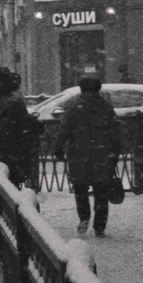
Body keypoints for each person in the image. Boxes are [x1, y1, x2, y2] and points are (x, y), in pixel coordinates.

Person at [61, 75, 122, 237]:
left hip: (79, 154)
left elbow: (65, 130)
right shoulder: (106, 108)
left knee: (80, 188)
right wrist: (115, 153)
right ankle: (99, 225)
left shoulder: (73, 108)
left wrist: (58, 148)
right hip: (102, 155)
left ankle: (84, 217)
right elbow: (115, 133)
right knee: (101, 191)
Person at [0, 67, 41, 189]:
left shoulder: (8, 102)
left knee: (5, 193)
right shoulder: (0, 100)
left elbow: (10, 134)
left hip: (5, 163)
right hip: (0, 161)